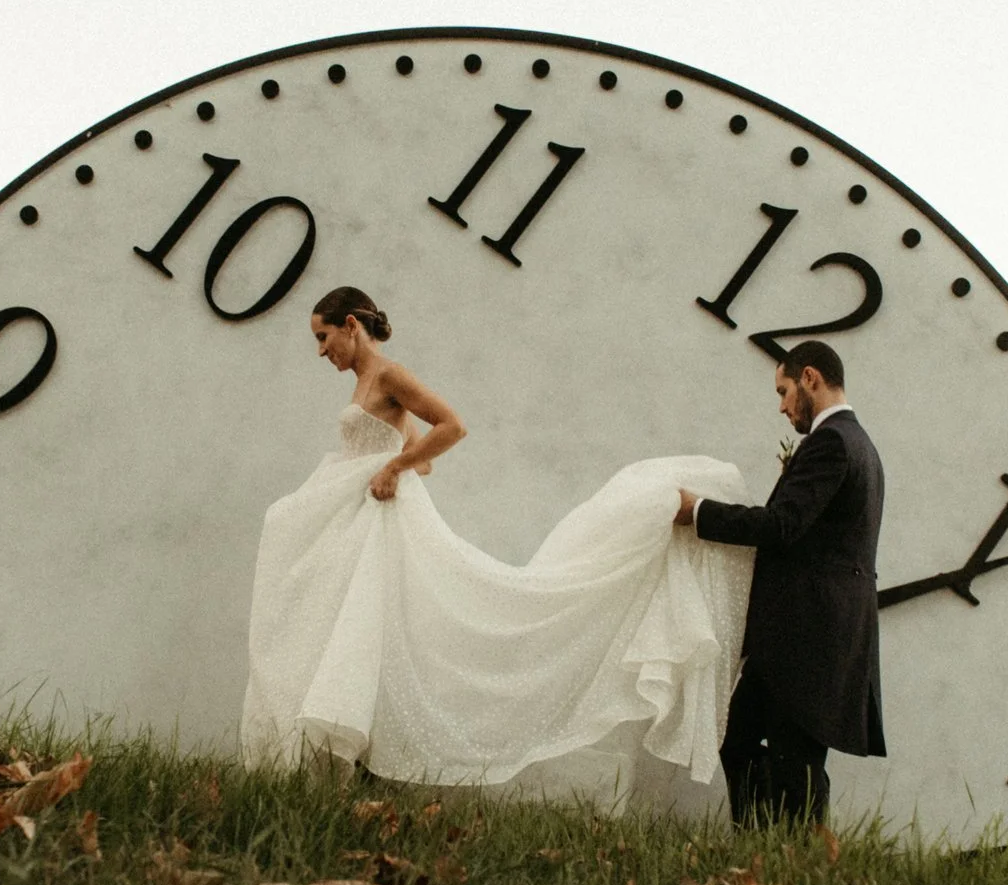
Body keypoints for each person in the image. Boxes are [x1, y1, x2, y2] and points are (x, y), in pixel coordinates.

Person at [240, 287, 755, 800]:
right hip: (361, 521)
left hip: (380, 526)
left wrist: (393, 467)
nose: (320, 351)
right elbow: (423, 454)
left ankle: (356, 766)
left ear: (351, 325)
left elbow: (452, 426)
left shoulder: (389, 374)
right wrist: (397, 462)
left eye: (323, 336)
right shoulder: (365, 381)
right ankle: (342, 770)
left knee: (368, 628)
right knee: (353, 630)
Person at [675, 340, 887, 825]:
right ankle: (767, 851)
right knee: (747, 743)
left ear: (810, 377)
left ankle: (793, 861)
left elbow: (782, 525)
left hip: (809, 631)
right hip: (815, 630)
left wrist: (699, 512)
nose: (782, 405)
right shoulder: (862, 447)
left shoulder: (832, 442)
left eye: (784, 390)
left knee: (795, 757)